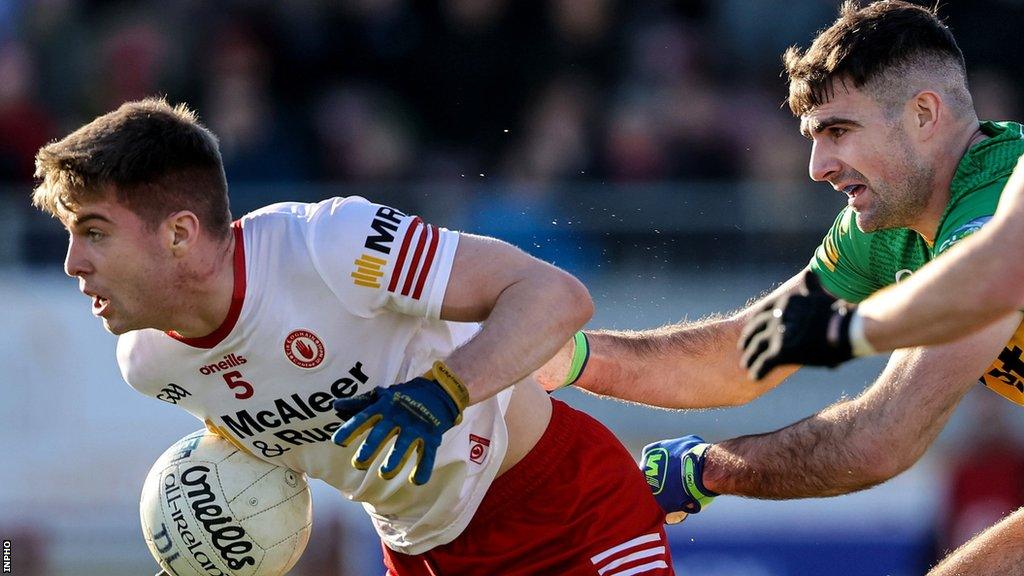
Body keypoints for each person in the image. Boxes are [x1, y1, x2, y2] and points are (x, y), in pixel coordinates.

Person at [34, 98, 675, 576]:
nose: (72, 262)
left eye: (94, 232)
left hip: (567, 507)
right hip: (419, 556)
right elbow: (266, 430)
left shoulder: (329, 246)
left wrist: (445, 391)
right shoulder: (149, 365)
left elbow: (557, 297)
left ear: (178, 233)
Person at [538, 2, 1024, 574]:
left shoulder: (997, 205)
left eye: (838, 131)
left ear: (923, 114)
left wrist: (705, 468)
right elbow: (748, 354)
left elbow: (882, 438)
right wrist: (570, 357)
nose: (818, 166)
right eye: (813, 137)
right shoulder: (888, 224)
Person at [741, 153, 1024, 375]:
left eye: (839, 131)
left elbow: (987, 280)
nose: (816, 169)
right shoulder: (872, 232)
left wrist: (842, 329)